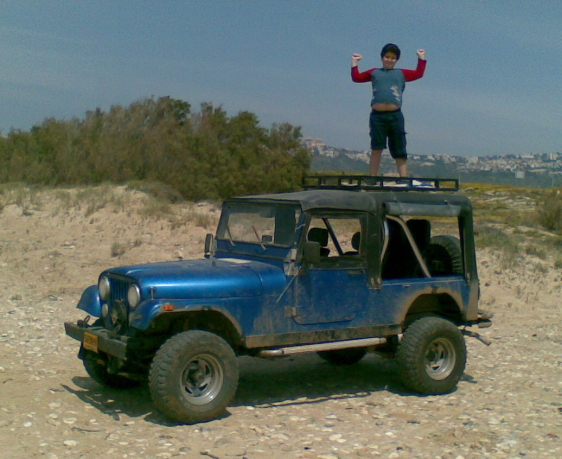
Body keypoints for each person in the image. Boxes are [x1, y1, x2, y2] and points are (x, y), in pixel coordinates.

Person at [351, 44, 426, 177]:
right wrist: (355, 63)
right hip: (377, 116)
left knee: (399, 149)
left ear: (396, 60)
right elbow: (357, 78)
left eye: (393, 58)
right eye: (387, 57)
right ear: (382, 57)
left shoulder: (401, 73)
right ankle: (372, 178)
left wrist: (421, 58)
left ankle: (403, 179)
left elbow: (418, 73)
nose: (389, 60)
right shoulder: (374, 72)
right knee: (376, 147)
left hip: (395, 115)